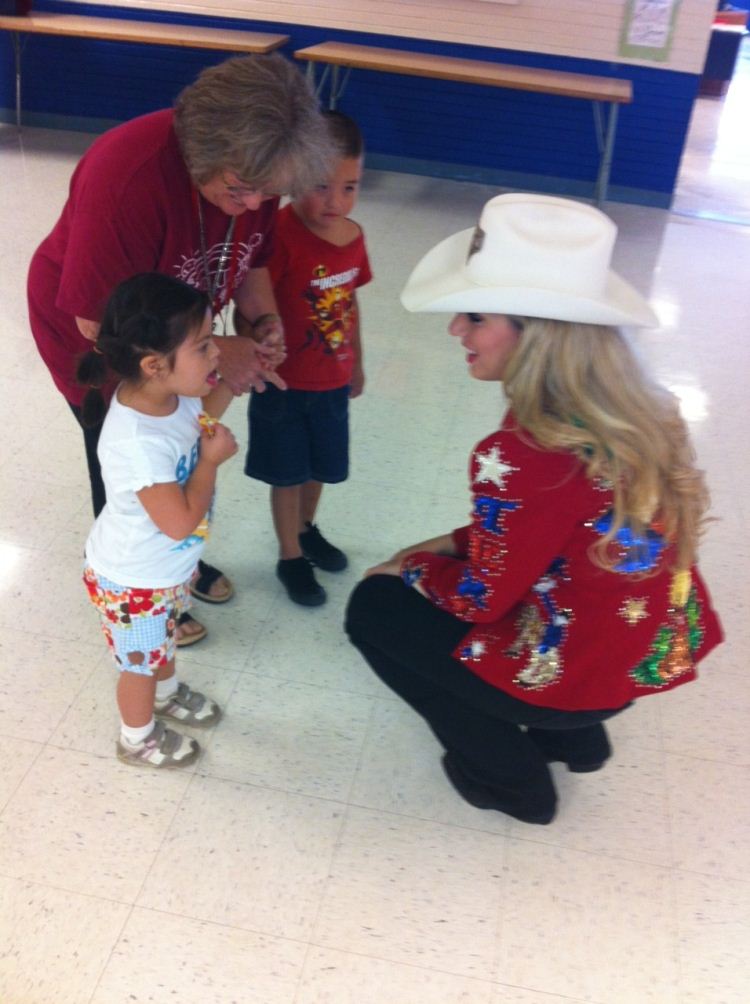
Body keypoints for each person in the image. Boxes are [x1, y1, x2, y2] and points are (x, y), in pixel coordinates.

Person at [345, 193, 723, 825]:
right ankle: (574, 738)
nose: (455, 331)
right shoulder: (636, 410)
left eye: (474, 316)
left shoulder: (524, 451)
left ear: (538, 333)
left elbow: (478, 600)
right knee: (447, 582)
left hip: (569, 670)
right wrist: (443, 544)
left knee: (372, 611)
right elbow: (548, 536)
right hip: (633, 656)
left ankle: (513, 781)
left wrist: (406, 568)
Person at [27, 52, 331, 643]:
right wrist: (221, 350)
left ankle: (178, 559)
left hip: (184, 343)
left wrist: (262, 320)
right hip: (105, 339)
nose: (251, 206)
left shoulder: (255, 173)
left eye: (265, 194)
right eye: (239, 191)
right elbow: (99, 320)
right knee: (131, 465)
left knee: (184, 447)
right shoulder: (126, 175)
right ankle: (138, 586)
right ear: (201, 151)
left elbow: (253, 258)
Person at [79, 273, 237, 767]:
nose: (215, 354)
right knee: (138, 668)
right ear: (154, 364)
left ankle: (166, 695)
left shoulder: (169, 396)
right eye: (204, 346)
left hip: (161, 572)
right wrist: (210, 463)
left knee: (160, 643)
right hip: (134, 580)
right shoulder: (138, 444)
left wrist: (233, 381)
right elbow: (178, 523)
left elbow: (200, 414)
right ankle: (137, 737)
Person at [245, 111, 372, 606]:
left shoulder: (353, 236)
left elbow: (352, 300)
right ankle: (290, 555)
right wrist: (260, 349)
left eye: (350, 187)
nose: (335, 201)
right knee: (288, 472)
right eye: (321, 186)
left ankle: (307, 528)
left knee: (321, 467)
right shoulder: (276, 234)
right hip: (285, 384)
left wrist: (357, 362)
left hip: (332, 382)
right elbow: (251, 304)